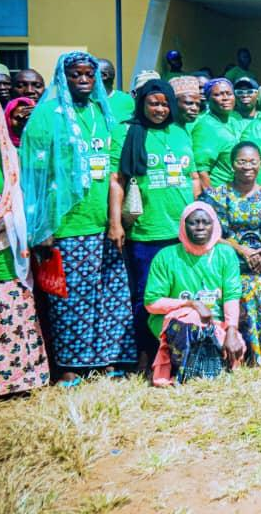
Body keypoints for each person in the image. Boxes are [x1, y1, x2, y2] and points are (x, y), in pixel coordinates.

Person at [21, 52, 135, 384]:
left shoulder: (104, 114)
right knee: (70, 300)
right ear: (62, 77)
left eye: (89, 75)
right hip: (66, 225)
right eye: (76, 75)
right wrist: (43, 226)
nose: (84, 80)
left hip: (103, 223)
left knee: (109, 296)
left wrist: (115, 222)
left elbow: (115, 173)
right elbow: (35, 176)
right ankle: (71, 366)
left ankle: (108, 359)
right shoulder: (46, 116)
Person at [109, 78, 200, 368]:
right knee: (146, 296)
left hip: (182, 231)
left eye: (164, 103)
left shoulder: (181, 131)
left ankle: (178, 352)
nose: (160, 109)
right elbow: (117, 180)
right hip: (146, 231)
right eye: (153, 103)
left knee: (182, 293)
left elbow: (193, 177)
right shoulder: (129, 132)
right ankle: (146, 353)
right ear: (142, 103)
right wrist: (116, 223)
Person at [201, 142, 261, 366]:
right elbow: (214, 235)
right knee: (250, 288)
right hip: (233, 262)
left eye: (253, 162)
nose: (247, 166)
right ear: (232, 164)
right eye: (241, 161)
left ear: (260, 164)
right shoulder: (217, 196)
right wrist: (242, 251)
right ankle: (257, 355)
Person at [144, 202, 245, 385]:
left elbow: (231, 295)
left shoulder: (225, 254)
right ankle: (183, 370)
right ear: (183, 225)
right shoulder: (166, 256)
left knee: (234, 348)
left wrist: (231, 331)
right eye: (193, 222)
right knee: (193, 322)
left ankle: (203, 368)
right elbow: (152, 302)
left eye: (205, 223)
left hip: (214, 322)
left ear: (214, 225)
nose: (200, 227)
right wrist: (191, 304)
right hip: (174, 322)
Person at [0, 96, 49, 396]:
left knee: (12, 307)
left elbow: (18, 195)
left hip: (6, 245)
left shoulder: (8, 156)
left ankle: (19, 380)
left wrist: (4, 220)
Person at [192, 78, 239, 189]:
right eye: (218, 95)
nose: (225, 98)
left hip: (235, 191)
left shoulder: (234, 121)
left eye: (229, 94)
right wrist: (213, 200)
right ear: (208, 100)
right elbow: (201, 169)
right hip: (219, 190)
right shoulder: (205, 126)